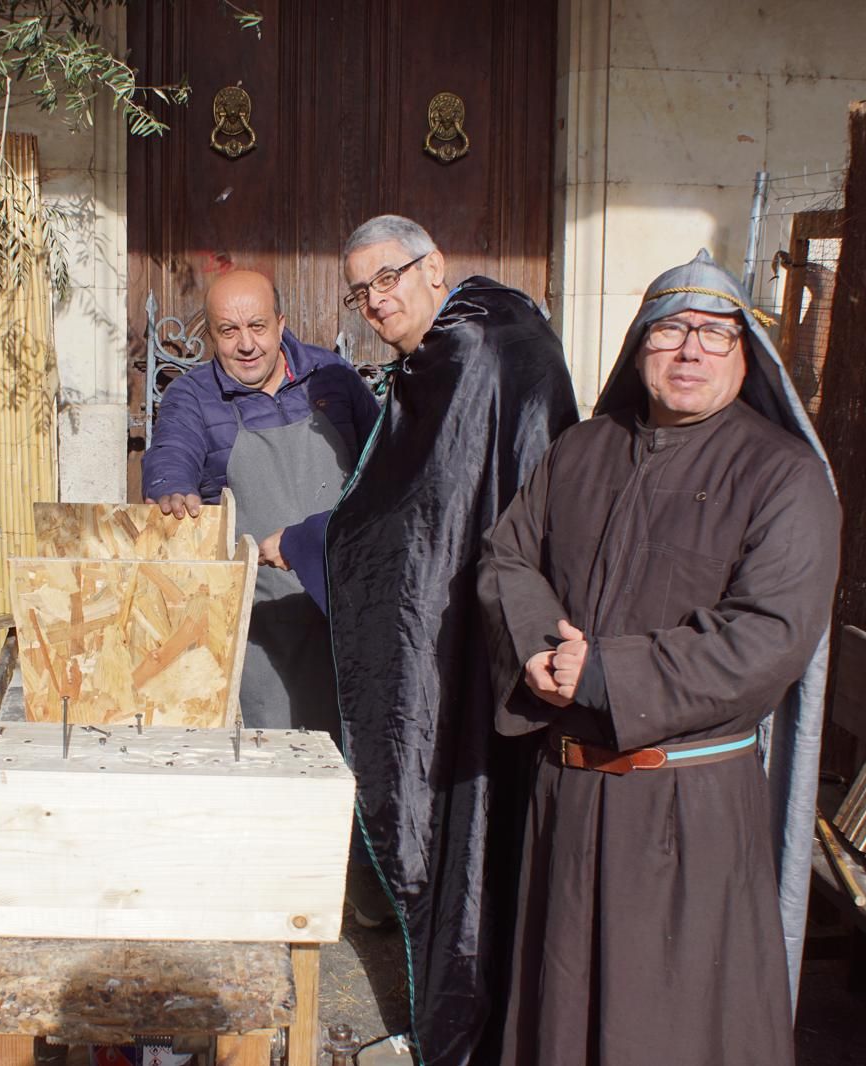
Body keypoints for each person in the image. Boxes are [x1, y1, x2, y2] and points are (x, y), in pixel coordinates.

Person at [477, 250, 840, 1065]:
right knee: (558, 1022)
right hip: (569, 797)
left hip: (688, 811)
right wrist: (539, 646)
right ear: (639, 347)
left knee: (671, 1031)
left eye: (715, 333)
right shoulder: (582, 450)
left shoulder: (784, 477)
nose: (690, 350)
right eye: (671, 329)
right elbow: (507, 558)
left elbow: (768, 637)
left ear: (746, 353)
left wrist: (602, 670)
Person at [268, 215, 579, 1066]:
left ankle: (471, 1024)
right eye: (359, 290)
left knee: (467, 819)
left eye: (389, 278)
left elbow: (414, 524)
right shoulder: (489, 330)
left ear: (434, 266)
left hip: (491, 628)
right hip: (493, 615)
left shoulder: (471, 350)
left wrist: (305, 543)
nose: (376, 301)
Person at [141, 269, 379, 734]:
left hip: (344, 610)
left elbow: (382, 462)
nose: (246, 345)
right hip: (261, 628)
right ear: (211, 336)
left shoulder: (331, 377)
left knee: (356, 752)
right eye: (229, 331)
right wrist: (171, 488)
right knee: (276, 760)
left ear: (281, 323)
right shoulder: (191, 397)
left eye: (258, 327)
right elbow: (171, 453)